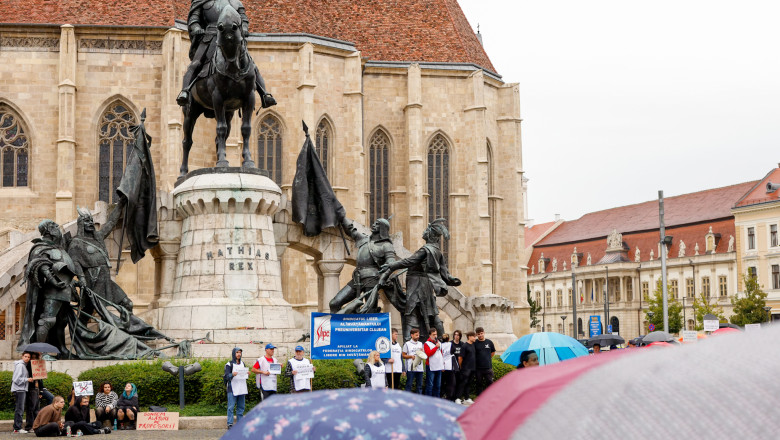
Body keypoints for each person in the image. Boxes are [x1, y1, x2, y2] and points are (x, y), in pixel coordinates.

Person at [176, 0, 275, 108]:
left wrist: (245, 28)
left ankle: (265, 94)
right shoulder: (202, 1)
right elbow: (194, 19)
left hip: (232, 38)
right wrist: (197, 28)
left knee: (252, 65)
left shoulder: (236, 2)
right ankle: (184, 92)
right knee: (195, 64)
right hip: (210, 37)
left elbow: (244, 19)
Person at [379, 219, 461, 342]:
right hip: (426, 285)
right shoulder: (437, 251)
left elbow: (409, 261)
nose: (424, 231)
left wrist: (391, 265)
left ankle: (408, 341)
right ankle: (441, 338)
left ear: (430, 235)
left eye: (427, 230)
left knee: (411, 312)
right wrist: (452, 280)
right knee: (431, 313)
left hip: (417, 286)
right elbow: (445, 272)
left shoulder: (426, 249)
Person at [18, 220, 80, 354]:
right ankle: (41, 353)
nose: (58, 228)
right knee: (48, 320)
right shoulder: (41, 247)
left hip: (65, 290)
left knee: (61, 322)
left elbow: (65, 269)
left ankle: (61, 349)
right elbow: (41, 264)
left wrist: (74, 282)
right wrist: (53, 281)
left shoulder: (59, 248)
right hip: (53, 291)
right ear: (49, 230)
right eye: (55, 226)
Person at [329, 218, 398, 314]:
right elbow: (351, 230)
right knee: (334, 303)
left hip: (372, 279)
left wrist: (384, 275)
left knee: (370, 311)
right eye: (374, 222)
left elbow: (391, 263)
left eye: (377, 224)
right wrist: (341, 216)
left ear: (382, 228)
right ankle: (341, 327)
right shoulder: (363, 239)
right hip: (357, 278)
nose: (373, 225)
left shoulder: (386, 245)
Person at [224, 348, 248, 429]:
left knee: (241, 407)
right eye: (237, 352)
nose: (238, 354)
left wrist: (247, 373)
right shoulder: (229, 364)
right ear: (234, 353)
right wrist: (232, 374)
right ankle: (230, 423)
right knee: (231, 407)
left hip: (241, 387)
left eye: (240, 352)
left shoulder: (242, 363)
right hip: (232, 388)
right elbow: (226, 376)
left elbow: (243, 374)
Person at [12, 351, 33, 434]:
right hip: (19, 389)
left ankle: (17, 427)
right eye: (25, 356)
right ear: (22, 356)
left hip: (22, 389)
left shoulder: (24, 365)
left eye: (28, 357)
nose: (27, 358)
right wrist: (27, 379)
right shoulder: (20, 365)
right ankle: (17, 428)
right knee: (19, 409)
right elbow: (16, 379)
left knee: (20, 408)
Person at [455, 331, 476, 405]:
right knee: (462, 383)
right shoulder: (464, 346)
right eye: (474, 336)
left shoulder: (473, 345)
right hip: (465, 368)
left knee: (468, 383)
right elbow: (460, 358)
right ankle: (457, 398)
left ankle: (466, 398)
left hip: (472, 368)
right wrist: (461, 367)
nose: (475, 338)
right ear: (469, 337)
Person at [474, 327, 496, 397]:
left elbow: (492, 352)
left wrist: (486, 358)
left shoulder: (489, 342)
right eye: (478, 334)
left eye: (481, 333)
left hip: (488, 367)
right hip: (478, 368)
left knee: (490, 382)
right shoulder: (475, 343)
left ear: (484, 333)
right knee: (479, 383)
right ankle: (479, 398)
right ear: (476, 335)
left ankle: (491, 396)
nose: (480, 335)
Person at [402, 328, 425, 394]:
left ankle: (418, 400)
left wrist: (422, 353)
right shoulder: (407, 344)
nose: (418, 336)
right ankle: (407, 400)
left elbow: (423, 355)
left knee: (419, 386)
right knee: (409, 385)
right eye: (416, 335)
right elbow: (403, 355)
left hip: (419, 367)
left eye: (418, 335)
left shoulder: (421, 344)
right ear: (411, 335)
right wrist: (411, 356)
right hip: (411, 367)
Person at [423, 328, 444, 397]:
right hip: (430, 366)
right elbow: (428, 353)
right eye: (433, 334)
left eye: (436, 334)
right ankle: (429, 400)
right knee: (430, 385)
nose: (435, 336)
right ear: (430, 335)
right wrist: (435, 347)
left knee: (438, 385)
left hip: (438, 366)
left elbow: (441, 354)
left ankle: (437, 399)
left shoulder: (438, 342)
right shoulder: (426, 343)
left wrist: (442, 364)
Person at [447, 330, 463, 401]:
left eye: (458, 335)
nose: (456, 336)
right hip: (452, 366)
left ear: (460, 336)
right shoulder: (450, 343)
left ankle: (457, 397)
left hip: (460, 366)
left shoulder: (462, 344)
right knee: (452, 383)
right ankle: (450, 397)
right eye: (455, 335)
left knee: (459, 382)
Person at [440, 333, 454, 399]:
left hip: (442, 366)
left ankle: (442, 394)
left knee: (442, 382)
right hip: (449, 366)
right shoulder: (451, 344)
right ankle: (449, 396)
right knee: (450, 383)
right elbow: (453, 352)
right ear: (448, 339)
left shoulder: (440, 345)